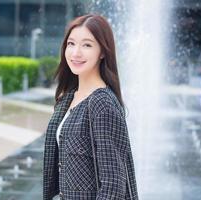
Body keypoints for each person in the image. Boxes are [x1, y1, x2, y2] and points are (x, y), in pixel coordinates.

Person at [43, 14, 138, 200]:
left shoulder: (102, 104)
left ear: (102, 51)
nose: (76, 53)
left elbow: (113, 186)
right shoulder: (68, 98)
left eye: (87, 45)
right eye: (71, 44)